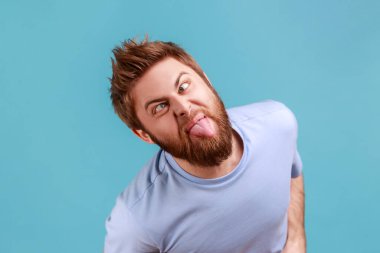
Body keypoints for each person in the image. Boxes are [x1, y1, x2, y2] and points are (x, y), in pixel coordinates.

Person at [104, 36, 306, 253]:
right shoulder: (134, 221)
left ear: (207, 81)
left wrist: (295, 240)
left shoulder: (276, 123)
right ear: (145, 135)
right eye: (160, 107)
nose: (183, 107)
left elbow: (292, 173)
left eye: (183, 86)